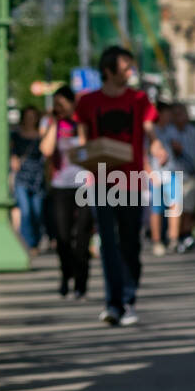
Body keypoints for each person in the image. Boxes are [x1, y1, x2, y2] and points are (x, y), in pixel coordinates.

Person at [75, 45, 160, 327]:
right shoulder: (88, 102)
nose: (130, 72)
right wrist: (82, 155)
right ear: (109, 71)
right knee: (108, 245)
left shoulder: (139, 99)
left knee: (131, 244)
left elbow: (149, 130)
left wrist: (157, 145)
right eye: (125, 68)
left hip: (132, 179)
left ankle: (128, 298)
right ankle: (115, 303)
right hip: (101, 180)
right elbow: (83, 139)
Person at [39, 86, 89, 298]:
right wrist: (56, 122)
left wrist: (77, 123)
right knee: (63, 236)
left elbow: (86, 149)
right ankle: (65, 273)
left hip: (85, 184)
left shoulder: (82, 122)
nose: (59, 108)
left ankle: (81, 281)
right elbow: (47, 150)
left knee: (83, 236)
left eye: (62, 103)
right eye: (56, 104)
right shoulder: (51, 123)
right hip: (61, 185)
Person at [159, 103, 195, 252]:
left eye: (182, 113)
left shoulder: (194, 132)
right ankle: (173, 238)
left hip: (191, 173)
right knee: (175, 207)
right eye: (176, 113)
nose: (179, 116)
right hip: (173, 173)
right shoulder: (167, 132)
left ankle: (185, 236)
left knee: (188, 208)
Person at [10, 107, 46, 258]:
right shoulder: (15, 135)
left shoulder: (41, 135)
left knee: (37, 211)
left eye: (33, 116)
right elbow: (11, 151)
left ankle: (36, 241)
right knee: (25, 211)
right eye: (28, 116)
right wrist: (13, 160)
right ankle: (28, 244)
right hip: (22, 175)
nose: (30, 119)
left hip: (37, 175)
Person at [148, 101, 172, 255]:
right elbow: (144, 153)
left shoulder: (171, 130)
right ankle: (157, 240)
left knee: (174, 207)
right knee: (156, 209)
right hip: (156, 174)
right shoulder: (151, 130)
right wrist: (149, 173)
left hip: (171, 172)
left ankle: (172, 239)